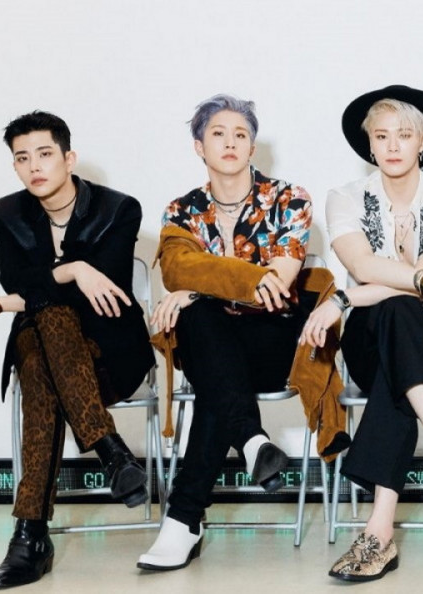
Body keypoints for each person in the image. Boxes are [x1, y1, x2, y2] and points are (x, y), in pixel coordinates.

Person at [137, 94, 344, 571]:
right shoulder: (180, 210)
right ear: (199, 146)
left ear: (252, 146)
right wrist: (201, 286)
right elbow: (175, 268)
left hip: (275, 341)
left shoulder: (290, 198)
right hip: (213, 347)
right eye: (218, 133)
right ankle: (250, 442)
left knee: (203, 333)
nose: (230, 142)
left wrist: (197, 286)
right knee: (203, 327)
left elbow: (277, 285)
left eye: (240, 134)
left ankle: (184, 520)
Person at [314, 84, 423, 582]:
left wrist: (346, 298)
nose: (393, 145)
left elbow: (402, 283)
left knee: (401, 315)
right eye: (382, 136)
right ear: (369, 145)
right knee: (395, 315)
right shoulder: (344, 199)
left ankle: (378, 533)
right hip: (369, 340)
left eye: (405, 135)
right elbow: (363, 264)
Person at [0, 111, 154, 589]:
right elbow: (15, 282)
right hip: (43, 352)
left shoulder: (120, 209)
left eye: (44, 154)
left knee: (48, 322)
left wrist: (23, 296)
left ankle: (30, 537)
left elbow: (103, 290)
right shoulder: (5, 214)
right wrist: (72, 270)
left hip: (110, 354)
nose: (34, 167)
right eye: (22, 158)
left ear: (69, 158)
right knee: (42, 341)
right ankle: (111, 452)